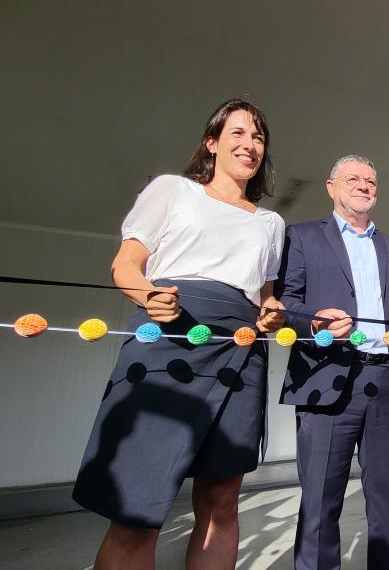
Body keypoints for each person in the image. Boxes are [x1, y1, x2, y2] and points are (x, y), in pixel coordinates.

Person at [72, 98, 287, 570]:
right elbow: (126, 264)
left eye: (258, 137)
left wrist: (271, 313)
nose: (249, 144)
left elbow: (264, 294)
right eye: (237, 133)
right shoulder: (171, 190)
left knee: (222, 499)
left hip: (240, 352)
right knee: (136, 507)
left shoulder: (271, 223)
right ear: (211, 142)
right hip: (167, 341)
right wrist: (147, 295)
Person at [277, 155, 389, 570]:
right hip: (325, 378)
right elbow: (286, 302)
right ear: (331, 186)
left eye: (371, 180)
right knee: (320, 502)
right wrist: (314, 320)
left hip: (387, 382)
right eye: (353, 178)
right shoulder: (301, 237)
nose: (363, 185)